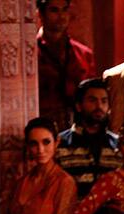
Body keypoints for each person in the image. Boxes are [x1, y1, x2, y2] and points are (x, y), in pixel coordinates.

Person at [36, 0, 98, 130]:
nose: (62, 16)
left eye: (65, 9)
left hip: (78, 130)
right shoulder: (30, 54)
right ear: (40, 14)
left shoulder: (84, 54)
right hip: (42, 130)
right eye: (54, 10)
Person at [56, 78, 122, 200]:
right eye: (92, 100)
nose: (99, 106)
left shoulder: (119, 145)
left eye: (104, 101)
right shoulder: (60, 144)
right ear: (79, 106)